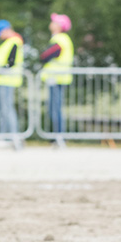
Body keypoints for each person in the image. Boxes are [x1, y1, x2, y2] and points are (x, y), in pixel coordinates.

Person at [38, 12, 73, 146]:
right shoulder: (62, 38)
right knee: (55, 108)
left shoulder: (60, 39)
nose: (51, 23)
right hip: (58, 77)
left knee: (55, 109)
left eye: (54, 22)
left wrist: (43, 56)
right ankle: (58, 137)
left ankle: (59, 137)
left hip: (57, 77)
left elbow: (46, 55)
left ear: (58, 26)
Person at [0, 19, 24, 149]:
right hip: (1, 80)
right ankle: (4, 137)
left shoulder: (14, 42)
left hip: (8, 80)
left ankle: (13, 137)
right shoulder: (7, 43)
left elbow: (11, 62)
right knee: (2, 110)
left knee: (8, 110)